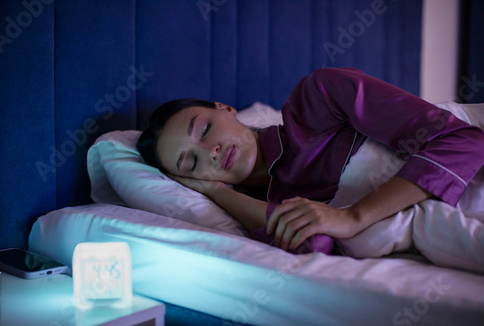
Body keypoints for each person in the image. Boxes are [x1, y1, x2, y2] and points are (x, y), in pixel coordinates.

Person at [137, 68, 484, 271]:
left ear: (226, 109)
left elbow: (464, 141)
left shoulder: (318, 97)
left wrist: (354, 217)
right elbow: (316, 245)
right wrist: (216, 193)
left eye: (205, 130)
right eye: (191, 163)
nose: (209, 153)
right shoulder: (274, 205)